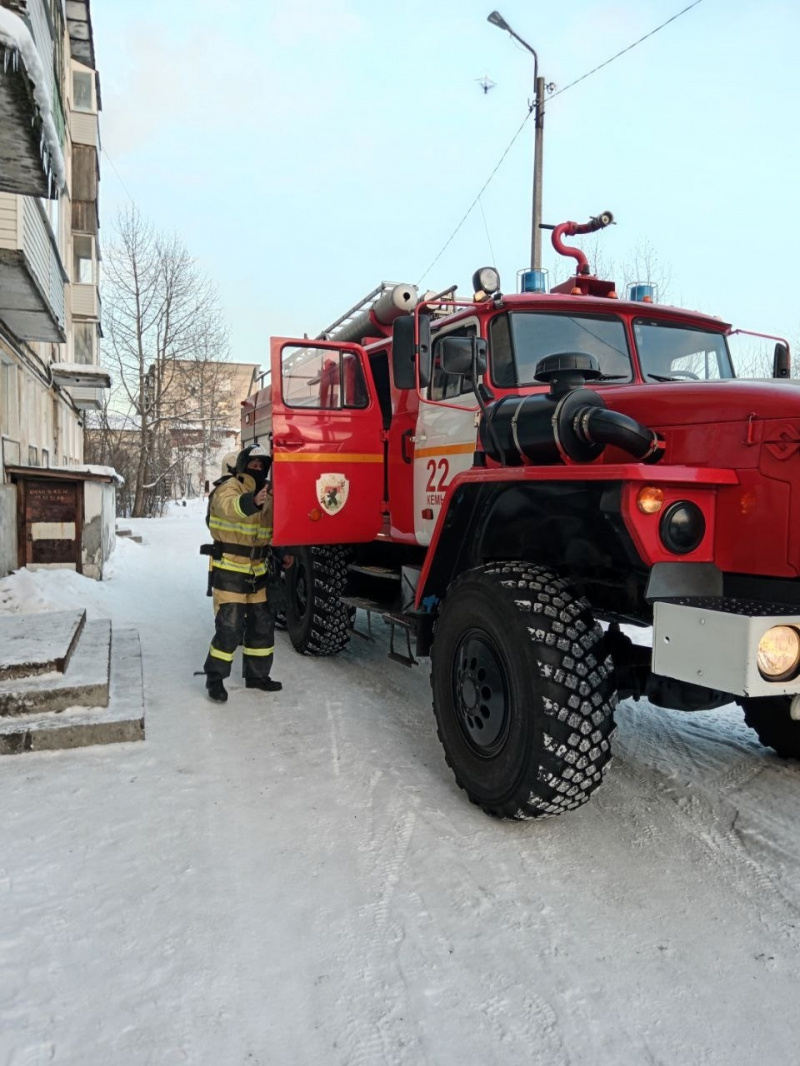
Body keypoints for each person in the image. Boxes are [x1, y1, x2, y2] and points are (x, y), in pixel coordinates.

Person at [203, 443, 293, 703]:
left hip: (258, 573)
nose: (258, 468)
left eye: (262, 465)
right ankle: (215, 678)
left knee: (262, 626)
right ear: (243, 465)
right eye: (253, 464)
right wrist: (251, 502)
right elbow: (228, 508)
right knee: (229, 628)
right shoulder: (228, 487)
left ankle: (257, 676)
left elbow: (271, 530)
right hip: (230, 570)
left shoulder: (268, 493)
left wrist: (282, 552)